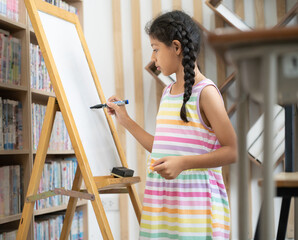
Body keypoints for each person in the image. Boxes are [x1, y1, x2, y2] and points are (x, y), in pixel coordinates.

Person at [107, 10, 237, 240]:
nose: (153, 57)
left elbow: (232, 150)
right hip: (164, 207)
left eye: (156, 48)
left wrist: (183, 163)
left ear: (176, 47)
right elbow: (162, 149)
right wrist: (125, 120)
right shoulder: (168, 92)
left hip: (195, 211)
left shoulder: (205, 92)